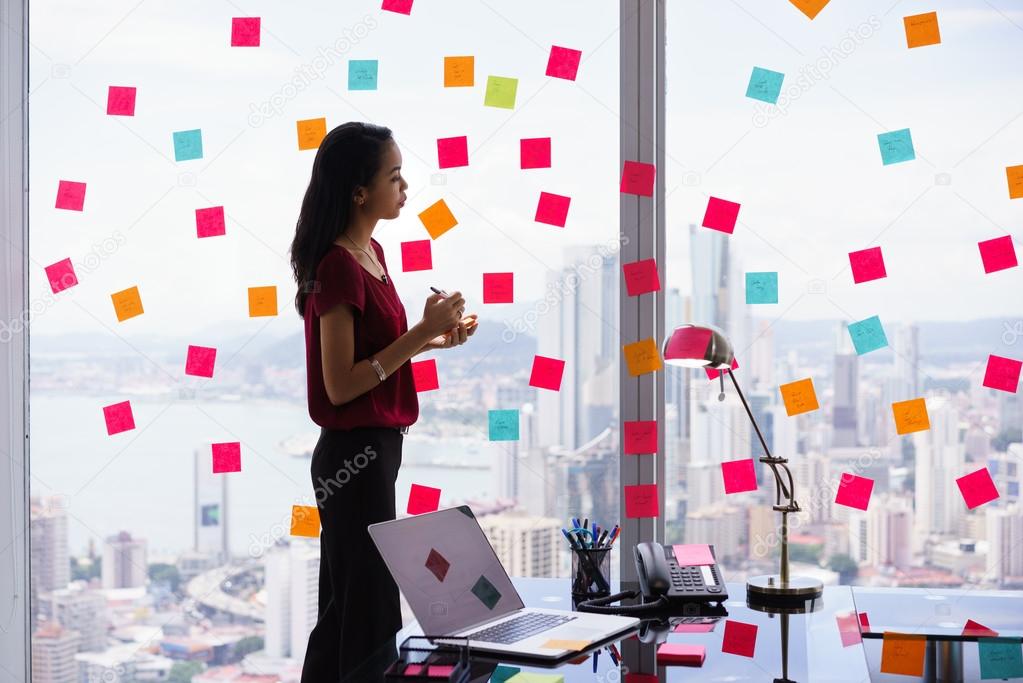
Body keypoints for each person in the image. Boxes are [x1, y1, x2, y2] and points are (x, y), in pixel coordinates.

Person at [290, 121, 477, 681]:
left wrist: (438, 337)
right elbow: (342, 385)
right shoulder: (337, 267)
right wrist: (422, 333)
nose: (404, 187)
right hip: (352, 458)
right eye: (394, 176)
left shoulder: (371, 251)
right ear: (359, 191)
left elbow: (377, 355)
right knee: (365, 612)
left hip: (377, 451)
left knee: (350, 608)